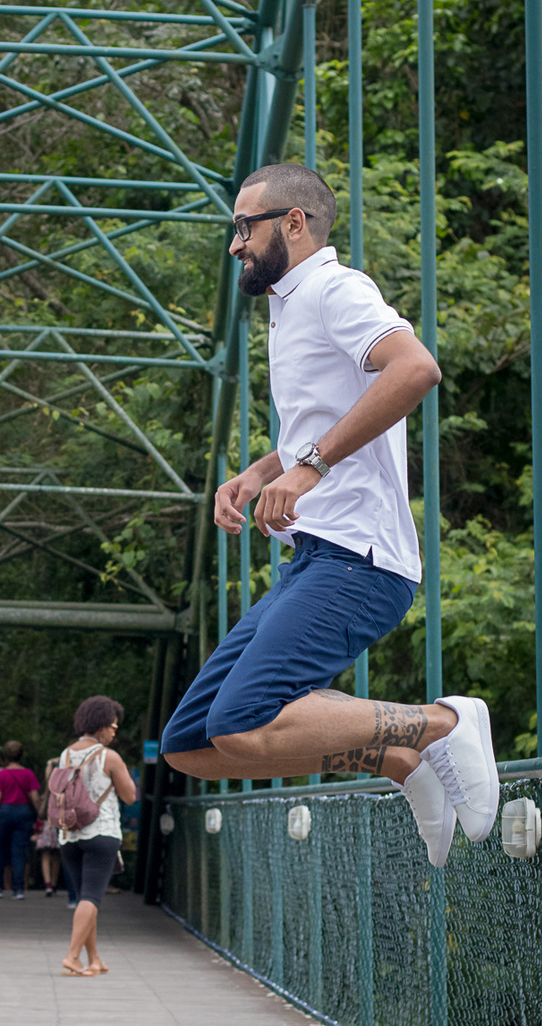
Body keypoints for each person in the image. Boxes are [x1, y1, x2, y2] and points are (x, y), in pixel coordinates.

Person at [162, 164, 499, 867]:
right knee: (191, 744)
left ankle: (443, 723)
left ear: (293, 222)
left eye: (242, 227)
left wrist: (310, 464)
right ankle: (401, 762)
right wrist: (261, 473)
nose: (234, 246)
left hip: (359, 557)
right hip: (314, 555)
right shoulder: (290, 303)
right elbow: (321, 418)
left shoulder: (334, 287)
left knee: (242, 719)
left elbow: (414, 369)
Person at [54, 696, 138, 977]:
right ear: (101, 725)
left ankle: (94, 960)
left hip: (69, 834)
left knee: (84, 899)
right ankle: (72, 956)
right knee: (91, 898)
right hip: (102, 833)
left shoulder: (65, 754)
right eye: (113, 726)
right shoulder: (108, 756)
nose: (115, 731)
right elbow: (130, 796)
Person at [0, 740, 41, 899]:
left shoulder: (1, 774)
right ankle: (18, 889)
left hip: (3, 813)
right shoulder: (28, 774)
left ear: (5, 756)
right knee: (19, 852)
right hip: (22, 813)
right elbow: (34, 797)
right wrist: (41, 814)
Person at [34, 768, 61, 897]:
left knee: (45, 855)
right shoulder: (63, 789)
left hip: (47, 824)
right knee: (56, 855)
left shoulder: (47, 792)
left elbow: (41, 811)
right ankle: (54, 884)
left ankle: (47, 884)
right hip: (59, 823)